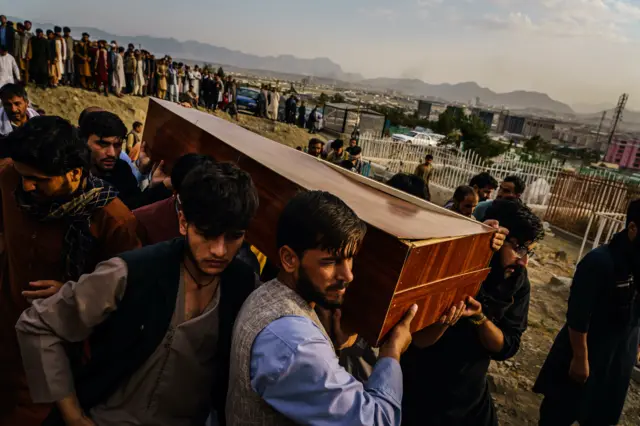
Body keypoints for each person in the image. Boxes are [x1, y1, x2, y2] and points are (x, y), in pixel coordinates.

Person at [16, 161, 260, 426]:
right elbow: (39, 324)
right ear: (182, 221)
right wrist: (72, 414)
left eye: (234, 237)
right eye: (207, 234)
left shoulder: (244, 287)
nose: (219, 251)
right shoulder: (132, 273)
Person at [226, 190, 418, 425]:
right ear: (289, 259)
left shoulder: (267, 294)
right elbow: (378, 420)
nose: (348, 275)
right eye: (330, 262)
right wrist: (392, 353)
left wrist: (331, 346)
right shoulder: (295, 343)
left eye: (350, 259)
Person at [0, 116, 141, 426]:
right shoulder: (11, 176)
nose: (26, 185)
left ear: (75, 173)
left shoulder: (113, 220)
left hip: (54, 352)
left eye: (37, 179)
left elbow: (127, 293)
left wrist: (73, 289)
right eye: (23, 176)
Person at [402, 198, 544, 426]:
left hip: (468, 396)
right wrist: (474, 241)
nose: (524, 261)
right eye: (517, 248)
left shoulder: (517, 281)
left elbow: (507, 345)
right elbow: (418, 339)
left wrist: (480, 318)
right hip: (417, 388)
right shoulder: (455, 262)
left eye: (528, 251)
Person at [533, 199, 640, 426]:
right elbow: (578, 316)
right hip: (583, 351)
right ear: (633, 228)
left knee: (599, 417)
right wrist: (581, 359)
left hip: (619, 357)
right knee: (558, 413)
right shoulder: (600, 261)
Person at [80, 110, 172, 209]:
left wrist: (155, 187)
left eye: (117, 145)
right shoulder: (73, 176)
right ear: (83, 141)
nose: (111, 153)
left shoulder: (121, 168)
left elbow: (133, 208)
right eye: (103, 144)